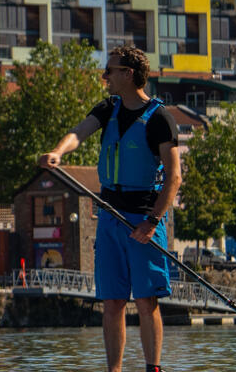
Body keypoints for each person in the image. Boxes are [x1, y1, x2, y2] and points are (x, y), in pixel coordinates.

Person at [39, 45, 182, 372]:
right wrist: (59, 152)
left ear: (128, 74)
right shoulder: (108, 109)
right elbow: (79, 132)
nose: (105, 76)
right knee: (113, 303)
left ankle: (152, 368)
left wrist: (151, 222)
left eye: (111, 70)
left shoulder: (160, 119)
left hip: (144, 220)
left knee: (146, 302)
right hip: (110, 217)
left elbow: (174, 178)